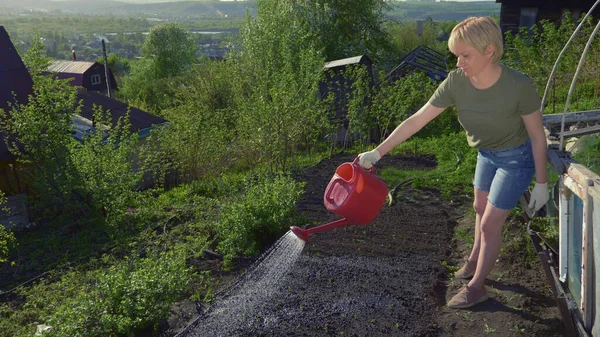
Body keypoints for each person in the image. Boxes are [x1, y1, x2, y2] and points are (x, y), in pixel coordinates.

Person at [358, 16, 549, 309]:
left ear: (489, 50)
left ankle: (477, 288)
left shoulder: (519, 85)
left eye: (465, 55)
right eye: (456, 55)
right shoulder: (456, 82)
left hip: (516, 159)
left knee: (489, 225)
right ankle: (473, 259)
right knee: (478, 208)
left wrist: (541, 183)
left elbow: (537, 136)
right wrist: (378, 152)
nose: (459, 63)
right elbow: (417, 120)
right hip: (486, 153)